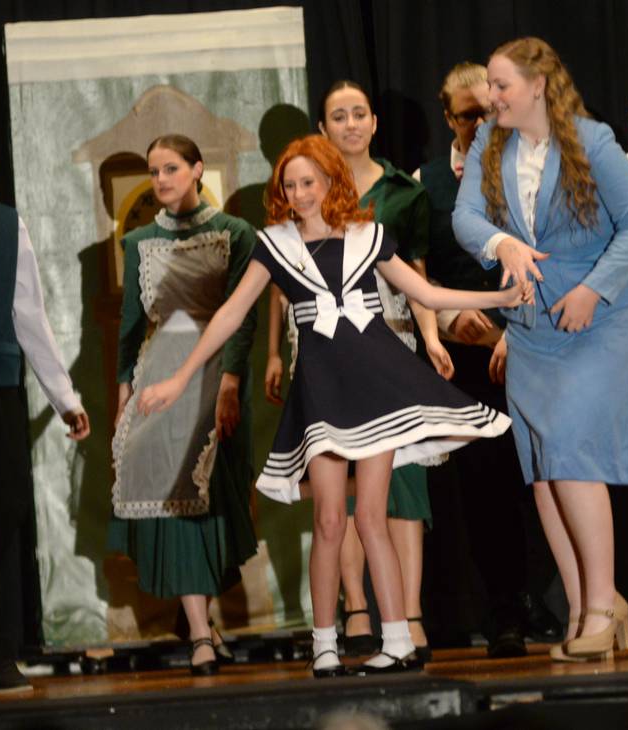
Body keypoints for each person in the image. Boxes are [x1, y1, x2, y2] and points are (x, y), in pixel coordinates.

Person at [137, 134, 522, 677]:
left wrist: (500, 299)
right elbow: (227, 316)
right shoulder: (276, 245)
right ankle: (325, 644)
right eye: (290, 185)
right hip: (321, 392)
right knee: (328, 520)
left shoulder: (368, 235)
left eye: (308, 182)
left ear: (329, 182)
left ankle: (396, 640)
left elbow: (427, 294)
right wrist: (179, 380)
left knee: (373, 518)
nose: (299, 193)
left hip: (378, 385)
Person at [453, 37, 628, 662]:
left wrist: (595, 289)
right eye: (490, 85)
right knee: (545, 472)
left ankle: (603, 602)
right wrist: (500, 246)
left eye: (501, 85)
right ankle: (583, 607)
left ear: (538, 85)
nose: (491, 97)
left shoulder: (592, 142)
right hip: (531, 328)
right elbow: (465, 219)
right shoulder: (491, 142)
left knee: (572, 456)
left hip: (596, 320)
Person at [265, 81, 451, 661]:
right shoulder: (295, 204)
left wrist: (431, 335)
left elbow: (416, 276)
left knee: (396, 496)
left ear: (373, 122)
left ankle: (408, 619)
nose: (349, 124)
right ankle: (355, 611)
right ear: (323, 127)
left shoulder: (401, 191)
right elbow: (279, 284)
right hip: (320, 349)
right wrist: (274, 351)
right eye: (336, 115)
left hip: (386, 344)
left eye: (358, 114)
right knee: (335, 503)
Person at [416, 61, 561, 655]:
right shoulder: (426, 181)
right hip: (465, 358)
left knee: (549, 476)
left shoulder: (526, 164)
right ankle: (505, 610)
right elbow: (421, 265)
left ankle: (560, 599)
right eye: (468, 113)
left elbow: (551, 252)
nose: (480, 122)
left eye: (489, 108)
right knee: (484, 486)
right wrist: (450, 322)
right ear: (449, 117)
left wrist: (511, 329)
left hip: (531, 343)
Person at [107, 134, 258, 676]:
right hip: (157, 376)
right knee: (173, 501)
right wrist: (123, 391)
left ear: (197, 170)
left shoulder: (234, 233)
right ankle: (198, 631)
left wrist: (231, 383)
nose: (162, 179)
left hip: (212, 374)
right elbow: (130, 324)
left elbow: (242, 318)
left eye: (171, 168)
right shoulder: (140, 239)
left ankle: (204, 622)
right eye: (154, 171)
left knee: (210, 500)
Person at [0, 127, 90, 695]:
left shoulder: (5, 226)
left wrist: (66, 399)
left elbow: (31, 316)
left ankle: (0, 659)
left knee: (0, 521)